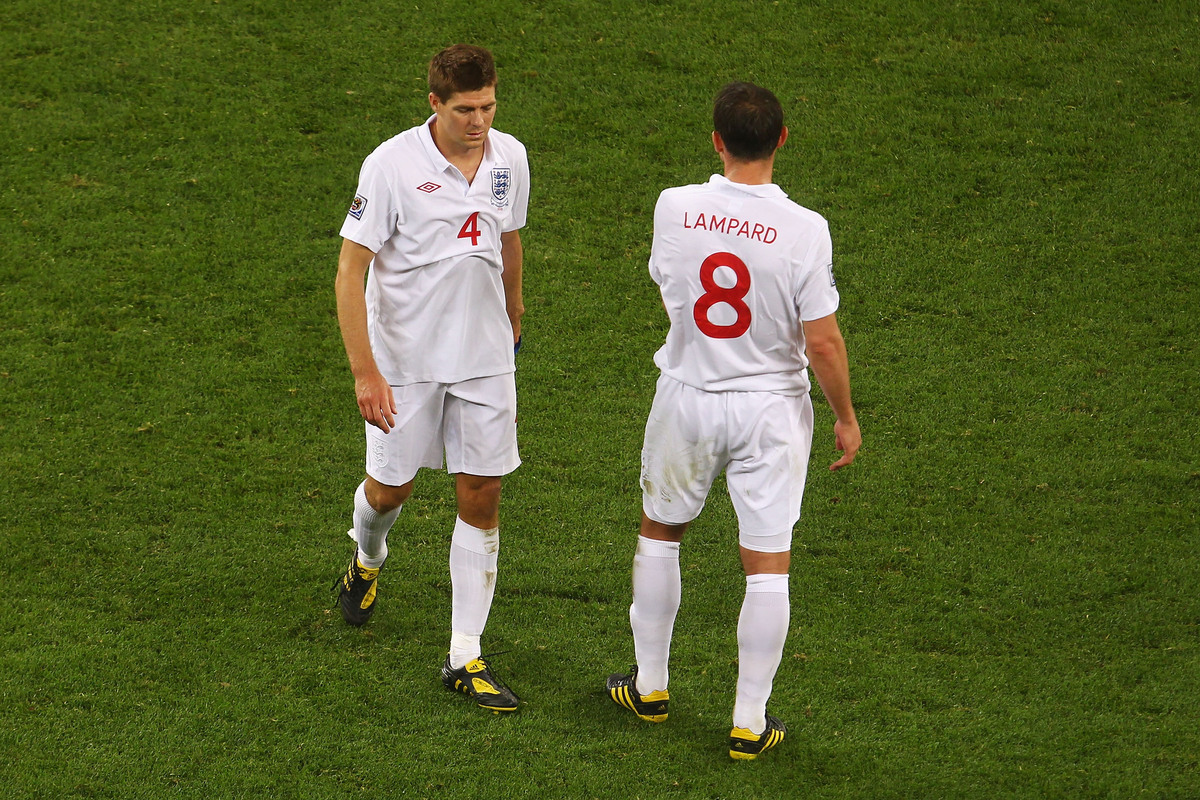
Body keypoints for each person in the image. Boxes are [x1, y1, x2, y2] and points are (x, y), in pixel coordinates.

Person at [605, 82, 861, 759]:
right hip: (771, 410)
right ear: (781, 139)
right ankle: (750, 722)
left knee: (661, 532)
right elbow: (824, 342)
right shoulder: (806, 229)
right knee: (766, 565)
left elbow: (672, 287)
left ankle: (651, 687)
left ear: (716, 140)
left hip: (689, 393)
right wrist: (846, 417)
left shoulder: (676, 206)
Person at [333, 43, 528, 713]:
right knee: (390, 492)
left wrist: (515, 309)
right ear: (435, 104)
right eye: (467, 109)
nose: (480, 121)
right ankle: (367, 559)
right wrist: (366, 373)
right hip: (406, 364)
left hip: (484, 358)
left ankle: (464, 654)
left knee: (482, 491)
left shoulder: (511, 158)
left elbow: (508, 237)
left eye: (489, 107)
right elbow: (350, 271)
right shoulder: (390, 167)